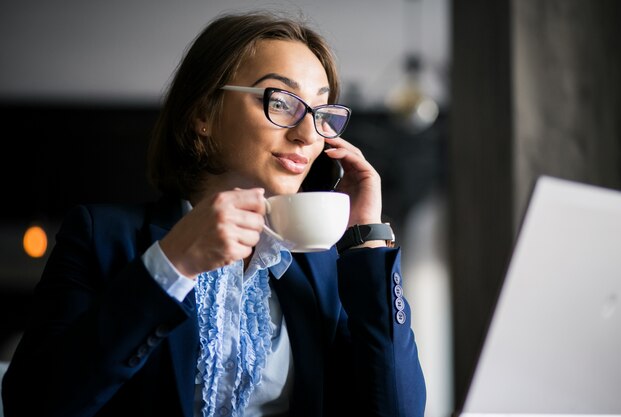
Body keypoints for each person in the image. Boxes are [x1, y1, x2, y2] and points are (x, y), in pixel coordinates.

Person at [2, 10, 426, 417]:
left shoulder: (324, 266)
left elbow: (398, 410)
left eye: (320, 112)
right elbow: (34, 405)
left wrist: (367, 238)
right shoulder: (101, 237)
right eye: (281, 102)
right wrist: (171, 264)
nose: (306, 135)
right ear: (203, 113)